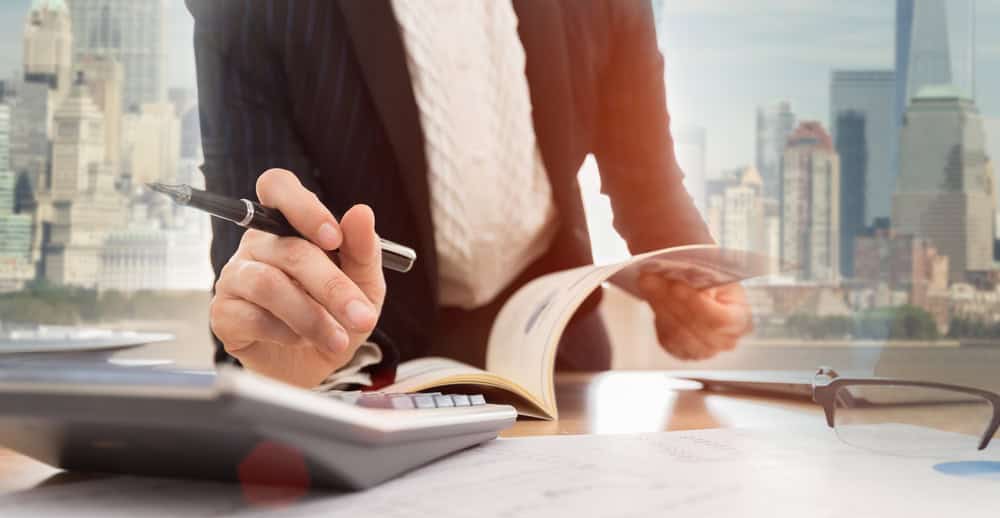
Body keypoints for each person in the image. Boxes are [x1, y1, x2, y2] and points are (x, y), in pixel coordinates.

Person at [187, 0, 753, 388]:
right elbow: (256, 245)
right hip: (363, 373)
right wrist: (281, 356)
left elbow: (647, 183)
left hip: (557, 364)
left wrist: (696, 292)